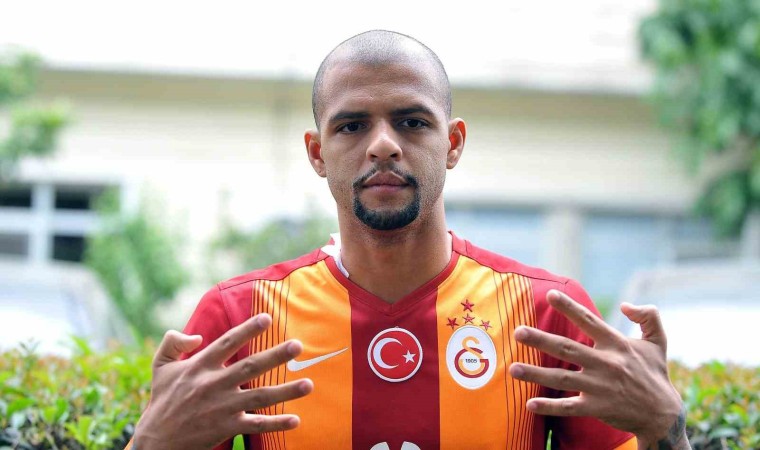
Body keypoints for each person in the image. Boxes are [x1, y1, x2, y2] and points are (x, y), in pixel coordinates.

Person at [128, 30, 690, 450]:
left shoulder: (545, 314)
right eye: (351, 125)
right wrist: (150, 442)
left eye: (412, 122)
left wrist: (668, 428)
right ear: (317, 153)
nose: (383, 145)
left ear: (453, 143)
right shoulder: (241, 317)